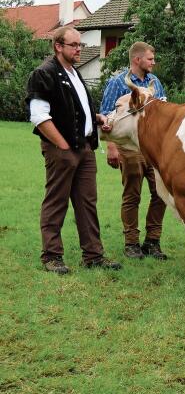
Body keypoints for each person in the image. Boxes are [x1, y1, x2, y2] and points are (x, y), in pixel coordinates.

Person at [25, 27, 121, 273]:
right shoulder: (44, 74)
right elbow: (39, 117)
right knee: (56, 202)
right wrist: (63, 145)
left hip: (85, 147)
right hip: (62, 149)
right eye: (74, 45)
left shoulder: (74, 72)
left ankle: (93, 255)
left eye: (80, 45)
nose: (80, 49)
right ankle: (51, 257)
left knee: (87, 202)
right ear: (58, 46)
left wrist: (96, 117)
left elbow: (76, 108)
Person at [100, 42, 168, 260]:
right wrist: (112, 147)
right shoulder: (117, 82)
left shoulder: (155, 83)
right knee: (132, 195)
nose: (153, 62)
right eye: (150, 59)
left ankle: (152, 241)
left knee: (160, 194)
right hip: (129, 148)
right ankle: (131, 243)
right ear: (137, 60)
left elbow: (164, 111)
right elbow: (106, 116)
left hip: (153, 147)